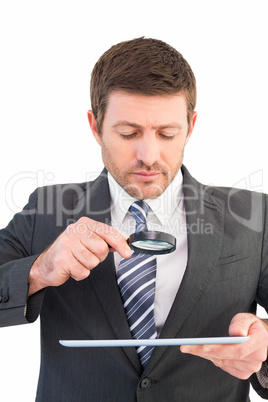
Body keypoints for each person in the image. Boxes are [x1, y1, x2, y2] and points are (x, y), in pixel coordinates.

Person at [0, 37, 268, 401]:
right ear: (95, 126)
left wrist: (265, 340)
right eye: (128, 133)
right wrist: (39, 270)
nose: (149, 155)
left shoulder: (256, 215)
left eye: (167, 133)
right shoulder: (47, 209)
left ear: (190, 127)